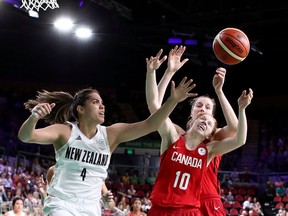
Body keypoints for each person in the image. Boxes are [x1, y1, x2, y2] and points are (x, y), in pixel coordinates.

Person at [18, 85, 195, 216]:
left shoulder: (111, 134)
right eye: (95, 102)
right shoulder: (65, 131)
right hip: (61, 204)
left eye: (102, 103)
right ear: (81, 109)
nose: (102, 106)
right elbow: (26, 136)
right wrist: (34, 118)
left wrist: (173, 100)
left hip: (91, 207)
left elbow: (151, 124)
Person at [145, 47, 253, 215]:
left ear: (213, 125)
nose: (203, 111)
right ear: (192, 115)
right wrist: (166, 73)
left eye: (208, 108)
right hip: (166, 204)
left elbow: (237, 132)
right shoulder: (175, 135)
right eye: (199, 107)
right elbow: (155, 108)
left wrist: (223, 94)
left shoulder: (213, 142)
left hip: (203, 201)